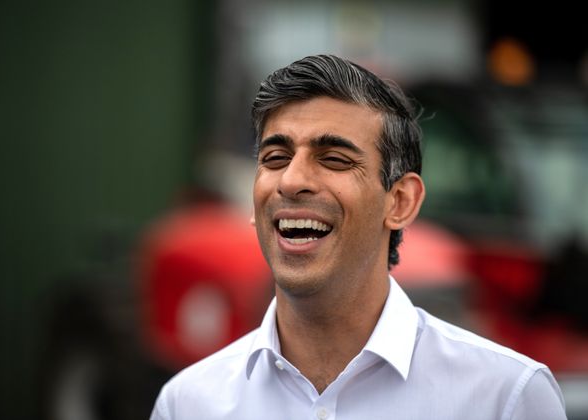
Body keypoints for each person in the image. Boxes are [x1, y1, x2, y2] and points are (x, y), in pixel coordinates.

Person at [150, 54, 567, 419]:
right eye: (275, 158)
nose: (291, 181)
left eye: (333, 159)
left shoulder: (506, 399)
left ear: (400, 202)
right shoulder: (188, 404)